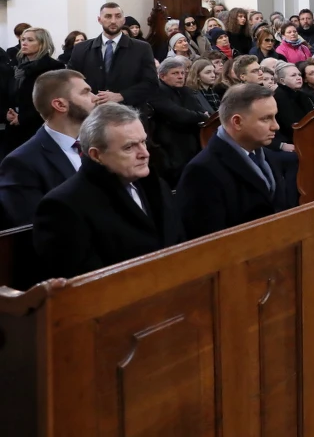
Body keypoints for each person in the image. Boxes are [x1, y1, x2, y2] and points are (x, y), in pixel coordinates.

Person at [32, 103, 185, 279]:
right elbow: (85, 284)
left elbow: (180, 243)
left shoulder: (156, 185)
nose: (145, 153)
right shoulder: (62, 206)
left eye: (143, 142)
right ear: (96, 155)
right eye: (129, 147)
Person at [175, 83, 298, 238]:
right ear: (237, 122)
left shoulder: (267, 156)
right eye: (266, 119)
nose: (276, 126)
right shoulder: (201, 171)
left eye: (275, 117)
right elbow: (208, 240)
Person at [0, 70, 95, 227]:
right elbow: (37, 228)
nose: (95, 97)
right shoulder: (21, 163)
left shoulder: (100, 146)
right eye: (85, 93)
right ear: (60, 105)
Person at [64, 2, 159, 107]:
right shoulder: (81, 48)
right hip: (91, 109)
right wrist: (89, 96)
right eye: (108, 16)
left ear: (123, 20)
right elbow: (70, 80)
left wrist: (121, 96)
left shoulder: (141, 48)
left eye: (118, 16)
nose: (113, 21)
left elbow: (151, 83)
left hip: (128, 110)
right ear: (99, 20)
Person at [147, 56, 211, 186]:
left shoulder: (186, 91)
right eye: (175, 73)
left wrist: (199, 116)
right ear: (162, 76)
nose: (180, 76)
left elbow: (200, 111)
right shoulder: (156, 91)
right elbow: (178, 115)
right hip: (170, 147)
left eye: (182, 73)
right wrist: (200, 116)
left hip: (192, 143)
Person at [6, 27, 64, 150]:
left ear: (42, 43)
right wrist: (7, 113)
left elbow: (50, 101)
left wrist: (22, 118)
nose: (24, 43)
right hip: (14, 126)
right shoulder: (16, 66)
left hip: (38, 125)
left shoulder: (53, 67)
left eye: (30, 40)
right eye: (23, 39)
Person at [269, 64, 313, 152]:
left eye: (299, 74)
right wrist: (281, 145)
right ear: (282, 81)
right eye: (293, 75)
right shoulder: (277, 97)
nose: (298, 78)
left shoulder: (303, 96)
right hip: (287, 143)